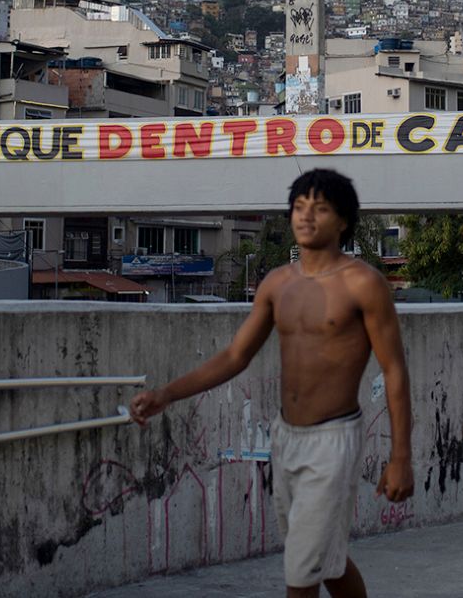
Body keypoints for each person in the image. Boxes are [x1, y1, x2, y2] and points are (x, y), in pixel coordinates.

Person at [130, 168, 413, 598]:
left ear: (343, 221)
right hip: (286, 437)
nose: (306, 217)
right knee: (327, 560)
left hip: (334, 439)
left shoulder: (364, 285)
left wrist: (400, 458)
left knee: (300, 569)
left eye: (319, 208)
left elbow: (394, 370)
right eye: (299, 207)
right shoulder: (278, 283)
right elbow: (235, 355)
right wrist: (167, 394)